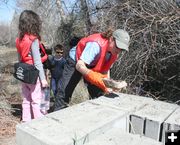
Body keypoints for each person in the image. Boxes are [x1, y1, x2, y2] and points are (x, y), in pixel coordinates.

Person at [54, 29, 130, 111]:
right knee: (64, 91)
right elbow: (79, 65)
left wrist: (108, 86)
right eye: (118, 46)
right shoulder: (95, 45)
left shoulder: (114, 53)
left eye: (122, 49)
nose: (119, 50)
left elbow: (105, 71)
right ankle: (58, 113)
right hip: (76, 61)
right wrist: (91, 76)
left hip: (92, 65)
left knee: (99, 93)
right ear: (111, 39)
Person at [15, 10, 48, 122]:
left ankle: (26, 120)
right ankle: (38, 122)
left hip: (24, 73)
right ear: (34, 23)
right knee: (36, 99)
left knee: (26, 98)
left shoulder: (18, 40)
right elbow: (37, 62)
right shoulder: (33, 40)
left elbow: (19, 59)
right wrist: (43, 79)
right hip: (34, 74)